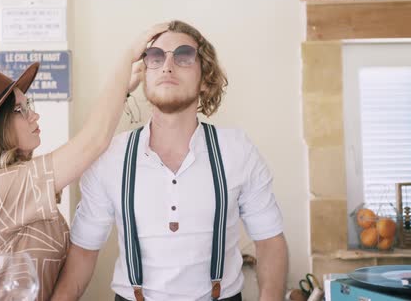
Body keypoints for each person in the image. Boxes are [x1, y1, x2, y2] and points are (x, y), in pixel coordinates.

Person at [52, 20, 288, 301]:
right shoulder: (111, 157)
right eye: (155, 57)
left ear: (205, 78)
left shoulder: (237, 150)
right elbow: (82, 252)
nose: (167, 66)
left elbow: (270, 240)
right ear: (143, 75)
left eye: (184, 56)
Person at [0, 23, 169, 301]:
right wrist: (125, 59)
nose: (33, 116)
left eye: (29, 106)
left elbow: (88, 145)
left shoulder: (15, 180)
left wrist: (122, 91)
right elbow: (92, 142)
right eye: (20, 110)